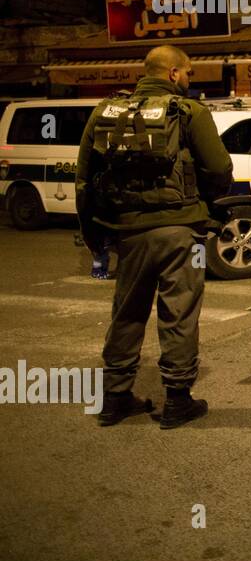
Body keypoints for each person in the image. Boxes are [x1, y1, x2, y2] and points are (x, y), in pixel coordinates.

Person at [75, 45, 233, 428]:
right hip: (183, 234)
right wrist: (207, 208)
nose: (190, 80)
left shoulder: (106, 112)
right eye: (190, 73)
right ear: (174, 74)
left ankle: (115, 398)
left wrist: (96, 237)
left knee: (127, 312)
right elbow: (219, 166)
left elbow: (83, 180)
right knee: (179, 311)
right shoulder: (190, 112)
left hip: (128, 233)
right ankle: (177, 400)